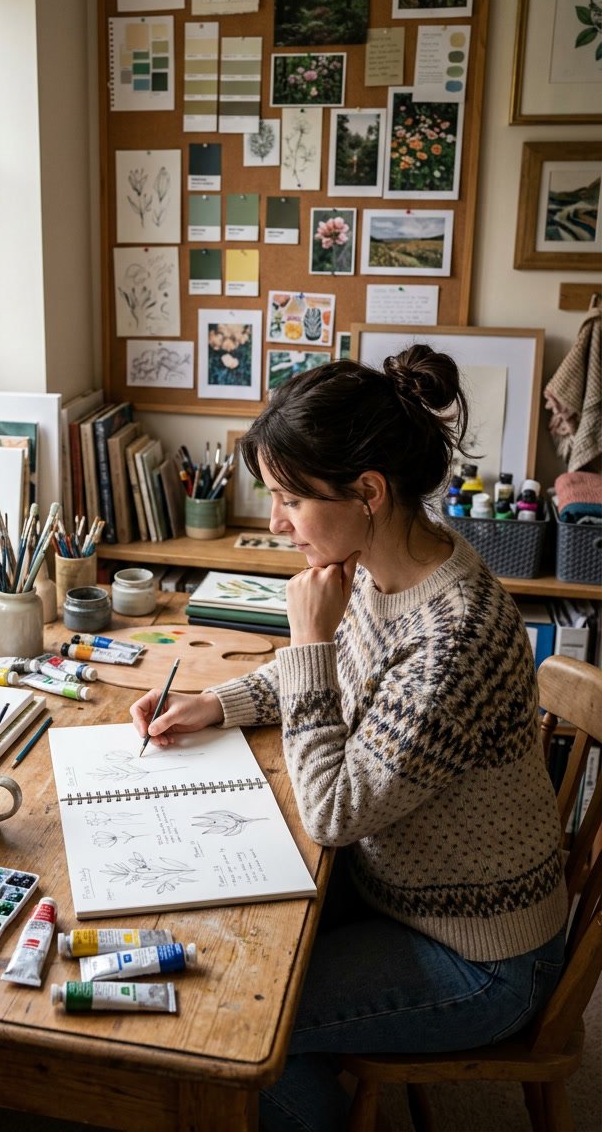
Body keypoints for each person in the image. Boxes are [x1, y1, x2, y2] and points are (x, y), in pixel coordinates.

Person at [130, 345, 568, 1131]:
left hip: (479, 954)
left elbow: (332, 809)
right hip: (392, 893)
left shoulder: (454, 638)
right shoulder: (380, 563)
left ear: (366, 491)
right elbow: (342, 680)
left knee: (242, 1025)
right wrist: (215, 703)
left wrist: (304, 643)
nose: (274, 523)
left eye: (289, 501)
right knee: (211, 937)